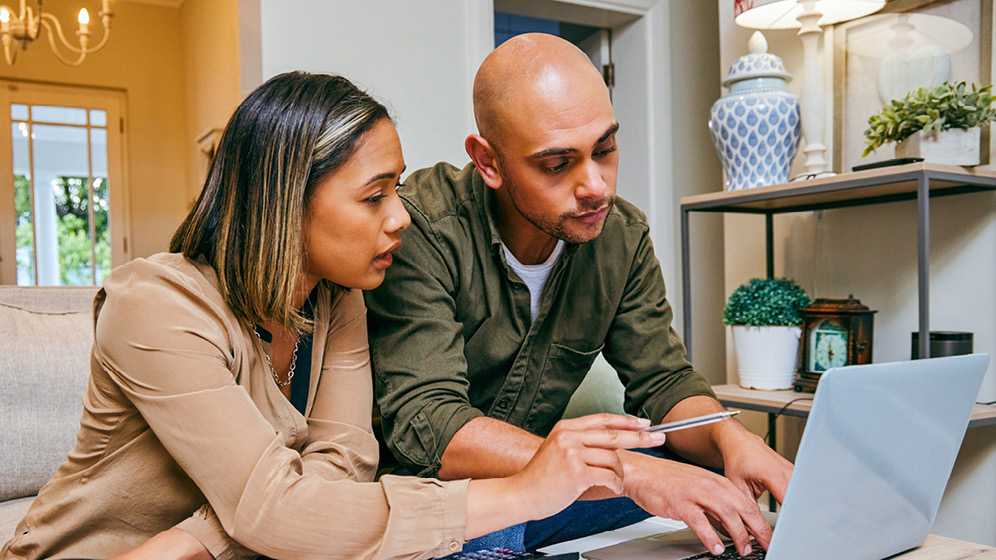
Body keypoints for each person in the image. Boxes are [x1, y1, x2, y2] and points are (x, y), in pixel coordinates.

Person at [0, 71, 667, 560]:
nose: (402, 217)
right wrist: (530, 490)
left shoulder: (337, 299)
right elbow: (280, 511)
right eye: (374, 196)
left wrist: (197, 540)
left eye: (397, 189)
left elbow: (343, 466)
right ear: (285, 204)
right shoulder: (154, 306)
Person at [364, 34, 795, 558]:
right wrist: (629, 470)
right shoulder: (421, 227)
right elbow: (429, 420)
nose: (596, 186)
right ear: (488, 162)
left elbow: (662, 380)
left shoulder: (621, 236)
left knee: (712, 486)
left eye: (606, 149)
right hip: (439, 501)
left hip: (554, 495)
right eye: (556, 164)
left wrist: (731, 437)